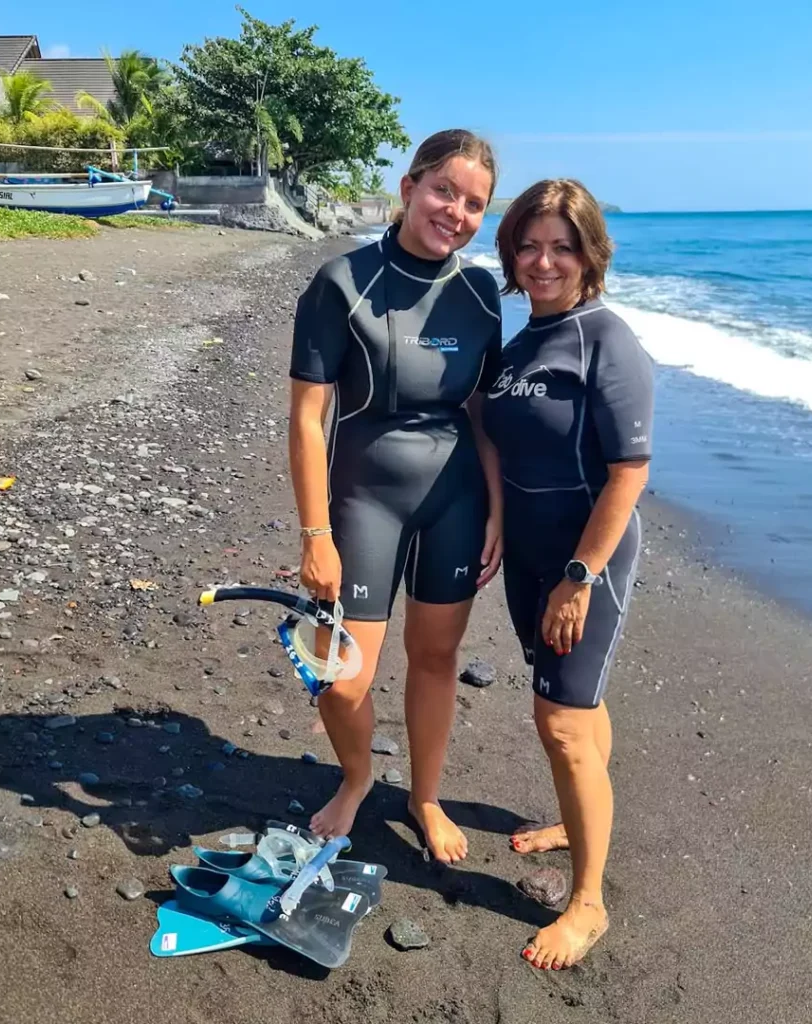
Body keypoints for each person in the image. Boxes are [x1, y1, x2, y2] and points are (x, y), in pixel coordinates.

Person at [287, 129, 505, 863]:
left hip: (456, 498)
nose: (457, 211)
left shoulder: (478, 292)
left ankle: (425, 796)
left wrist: (498, 509)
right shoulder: (343, 283)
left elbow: (480, 411)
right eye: (445, 191)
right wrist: (315, 533)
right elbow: (308, 417)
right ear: (409, 187)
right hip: (362, 499)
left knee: (437, 657)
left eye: (475, 203)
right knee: (340, 676)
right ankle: (355, 778)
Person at [482, 179, 654, 970]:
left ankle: (588, 903)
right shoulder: (523, 340)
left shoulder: (605, 340)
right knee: (577, 707)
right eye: (529, 245)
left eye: (562, 246)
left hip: (585, 559)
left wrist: (578, 576)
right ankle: (575, 815)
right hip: (528, 550)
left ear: (591, 254)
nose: (544, 261)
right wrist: (495, 521)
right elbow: (495, 435)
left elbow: (627, 473)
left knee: (559, 720)